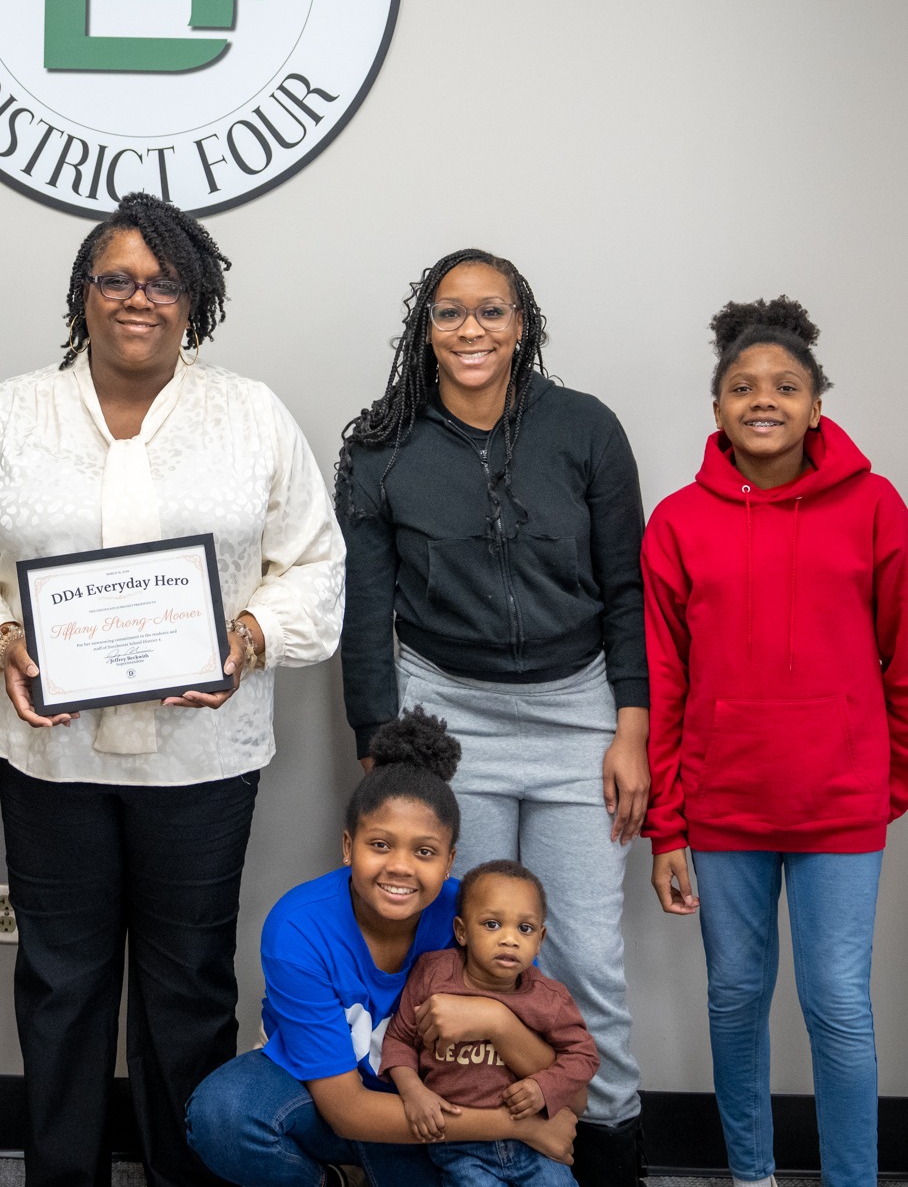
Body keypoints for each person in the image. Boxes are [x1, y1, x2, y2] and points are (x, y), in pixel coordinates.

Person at [0, 192, 345, 1187]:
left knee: (188, 990)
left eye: (162, 280)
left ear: (195, 299)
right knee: (61, 986)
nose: (137, 298)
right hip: (48, 754)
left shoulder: (251, 415)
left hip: (204, 757)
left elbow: (316, 567)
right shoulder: (17, 413)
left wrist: (249, 631)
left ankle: (184, 1176)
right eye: (116, 278)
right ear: (83, 294)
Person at [336, 249, 647, 1187]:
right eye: (450, 311)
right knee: (461, 957)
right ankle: (478, 1160)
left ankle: (609, 1153)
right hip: (447, 715)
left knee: (584, 956)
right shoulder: (380, 445)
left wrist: (631, 727)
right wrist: (383, 757)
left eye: (492, 311)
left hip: (578, 711)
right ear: (423, 327)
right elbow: (365, 615)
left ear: (522, 325)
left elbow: (629, 590)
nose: (471, 329)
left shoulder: (585, 429)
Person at [643, 296, 907, 1187]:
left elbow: (905, 658)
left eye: (786, 386)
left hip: (840, 805)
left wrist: (887, 781)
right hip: (724, 810)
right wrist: (669, 825)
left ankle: (853, 1182)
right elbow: (665, 680)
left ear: (817, 404)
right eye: (744, 387)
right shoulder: (678, 522)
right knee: (735, 1000)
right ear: (717, 407)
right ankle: (751, 1176)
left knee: (838, 1007)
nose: (766, 400)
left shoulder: (875, 508)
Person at [186, 712, 581, 1187]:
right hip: (332, 1105)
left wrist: (495, 1021)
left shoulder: (480, 920)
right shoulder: (299, 927)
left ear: (450, 860)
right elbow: (348, 1110)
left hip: (444, 1119)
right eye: (380, 844)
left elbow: (571, 1091)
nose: (400, 867)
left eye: (425, 851)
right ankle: (334, 1179)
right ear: (349, 847)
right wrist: (517, 1125)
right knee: (224, 1116)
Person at [381, 860, 599, 1187]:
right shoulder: (433, 975)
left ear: (540, 939)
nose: (509, 939)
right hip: (459, 1143)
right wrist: (413, 1091)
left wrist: (544, 1088)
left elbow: (583, 1058)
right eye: (492, 924)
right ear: (462, 932)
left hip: (534, 1140)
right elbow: (399, 1041)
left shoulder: (550, 998)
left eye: (524, 929)